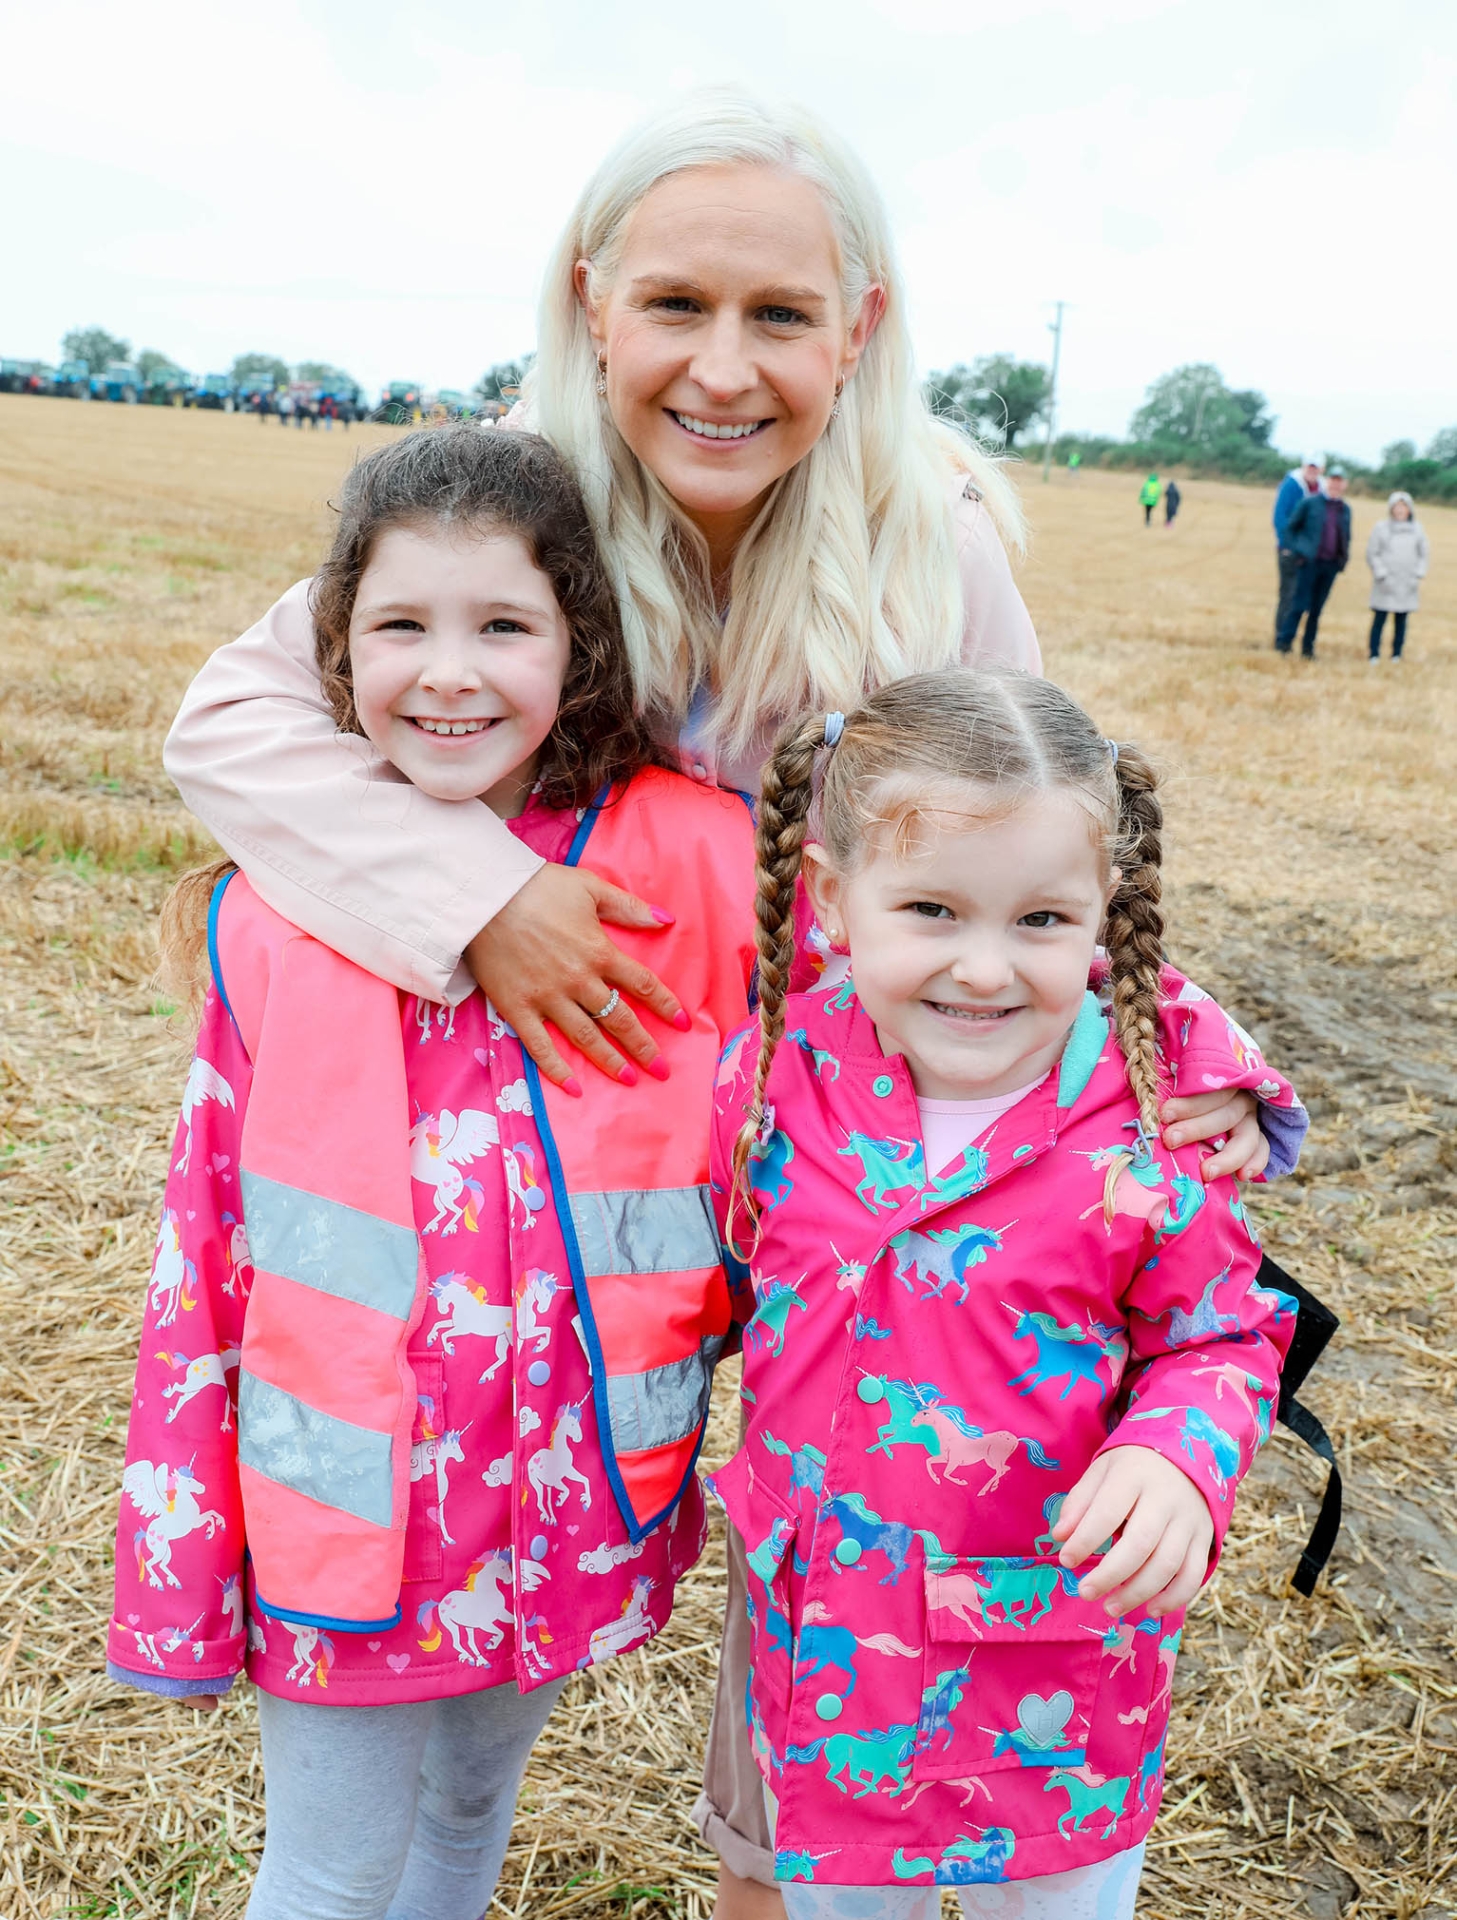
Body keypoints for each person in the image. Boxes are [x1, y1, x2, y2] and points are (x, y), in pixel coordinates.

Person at [159, 91, 1292, 1918]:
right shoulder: (519, 502)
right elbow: (230, 722)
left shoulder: (936, 547)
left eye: (779, 318)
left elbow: (1027, 839)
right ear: (590, 301)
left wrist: (1176, 1055)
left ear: (859, 331)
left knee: (848, 1548)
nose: (721, 367)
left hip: (812, 1169)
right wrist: (493, 899)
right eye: (673, 306)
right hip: (530, 1176)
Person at [108, 425, 761, 1920]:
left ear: (579, 649)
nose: (448, 673)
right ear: (333, 649)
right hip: (343, 1509)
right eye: (399, 625)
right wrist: (180, 1533)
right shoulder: (281, 909)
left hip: (573, 1492)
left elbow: (916, 1010)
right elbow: (205, 1258)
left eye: (503, 627)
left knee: (471, 1816)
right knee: (330, 1872)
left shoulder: (696, 863)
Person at [709, 669, 1299, 1917]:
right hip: (827, 1666)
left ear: (1103, 916)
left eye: (1040, 922)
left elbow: (1225, 1330)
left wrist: (1177, 1460)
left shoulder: (1149, 1121)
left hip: (1056, 1683)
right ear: (831, 897)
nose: (983, 970)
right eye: (929, 909)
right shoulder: (769, 1079)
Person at [1275, 467, 1351, 658]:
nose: (1335, 484)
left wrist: (1342, 559)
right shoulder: (1310, 503)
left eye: (1339, 481)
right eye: (1333, 480)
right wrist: (1296, 550)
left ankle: (1308, 648)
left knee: (1316, 610)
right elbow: (1291, 527)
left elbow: (1346, 535)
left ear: (1344, 485)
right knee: (1298, 605)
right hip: (1308, 562)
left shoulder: (1345, 509)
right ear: (1327, 482)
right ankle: (1285, 642)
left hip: (1330, 565)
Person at [1366, 490, 1428, 660]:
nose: (1400, 510)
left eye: (1404, 506)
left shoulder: (1417, 529)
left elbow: (1423, 554)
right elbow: (1373, 553)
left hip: (1406, 581)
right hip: (1385, 581)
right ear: (1391, 509)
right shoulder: (1381, 528)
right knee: (1380, 617)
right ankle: (1374, 653)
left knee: (1401, 619)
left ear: (1409, 509)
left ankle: (1396, 654)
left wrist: (1417, 574)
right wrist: (1381, 573)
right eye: (1397, 506)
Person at [1272, 454, 1323, 643]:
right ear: (1303, 467)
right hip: (1290, 550)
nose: (1312, 471)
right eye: (1309, 467)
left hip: (1310, 553)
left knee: (1305, 598)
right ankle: (1281, 638)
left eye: (1316, 468)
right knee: (1289, 595)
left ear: (1321, 470)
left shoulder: (1321, 489)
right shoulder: (1292, 486)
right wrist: (1287, 545)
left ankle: (1297, 638)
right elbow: (1280, 517)